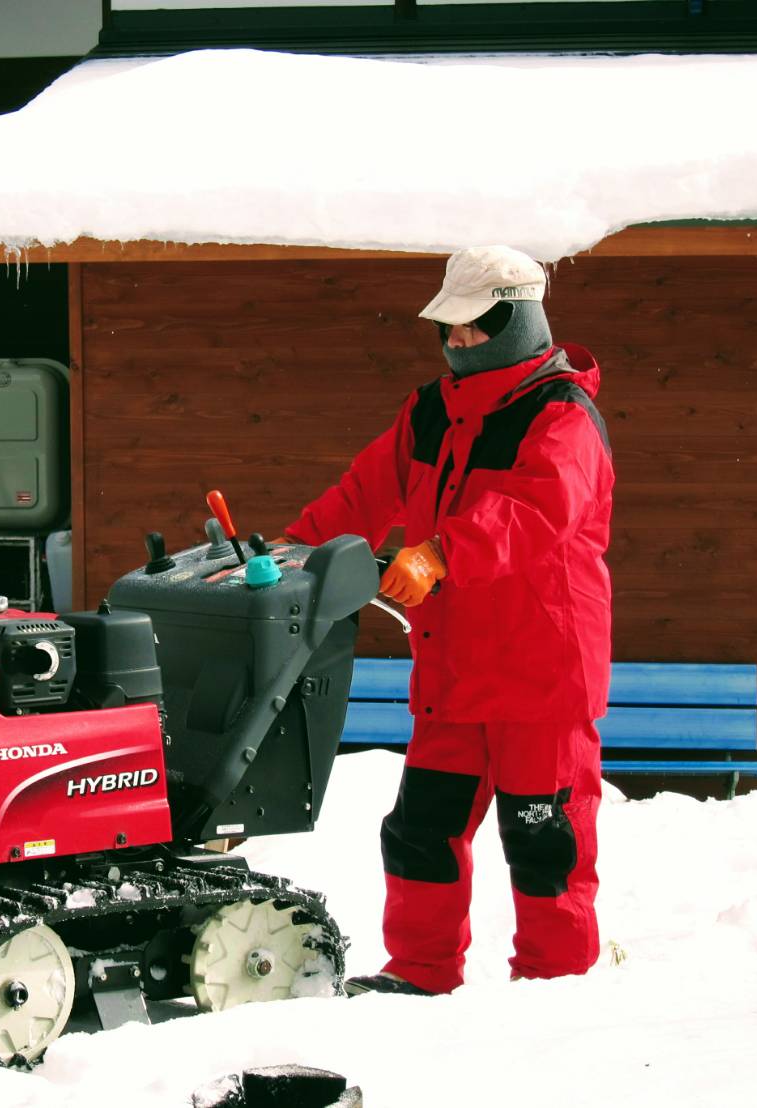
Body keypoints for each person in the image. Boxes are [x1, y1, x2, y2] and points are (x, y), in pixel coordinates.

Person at [284, 245, 614, 996]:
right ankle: (421, 972)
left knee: (545, 841)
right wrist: (296, 550)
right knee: (419, 831)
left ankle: (555, 984)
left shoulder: (561, 415)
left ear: (519, 317)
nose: (458, 342)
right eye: (449, 329)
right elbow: (364, 491)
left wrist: (437, 554)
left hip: (541, 674)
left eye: (476, 326)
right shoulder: (431, 410)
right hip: (452, 671)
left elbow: (535, 512)